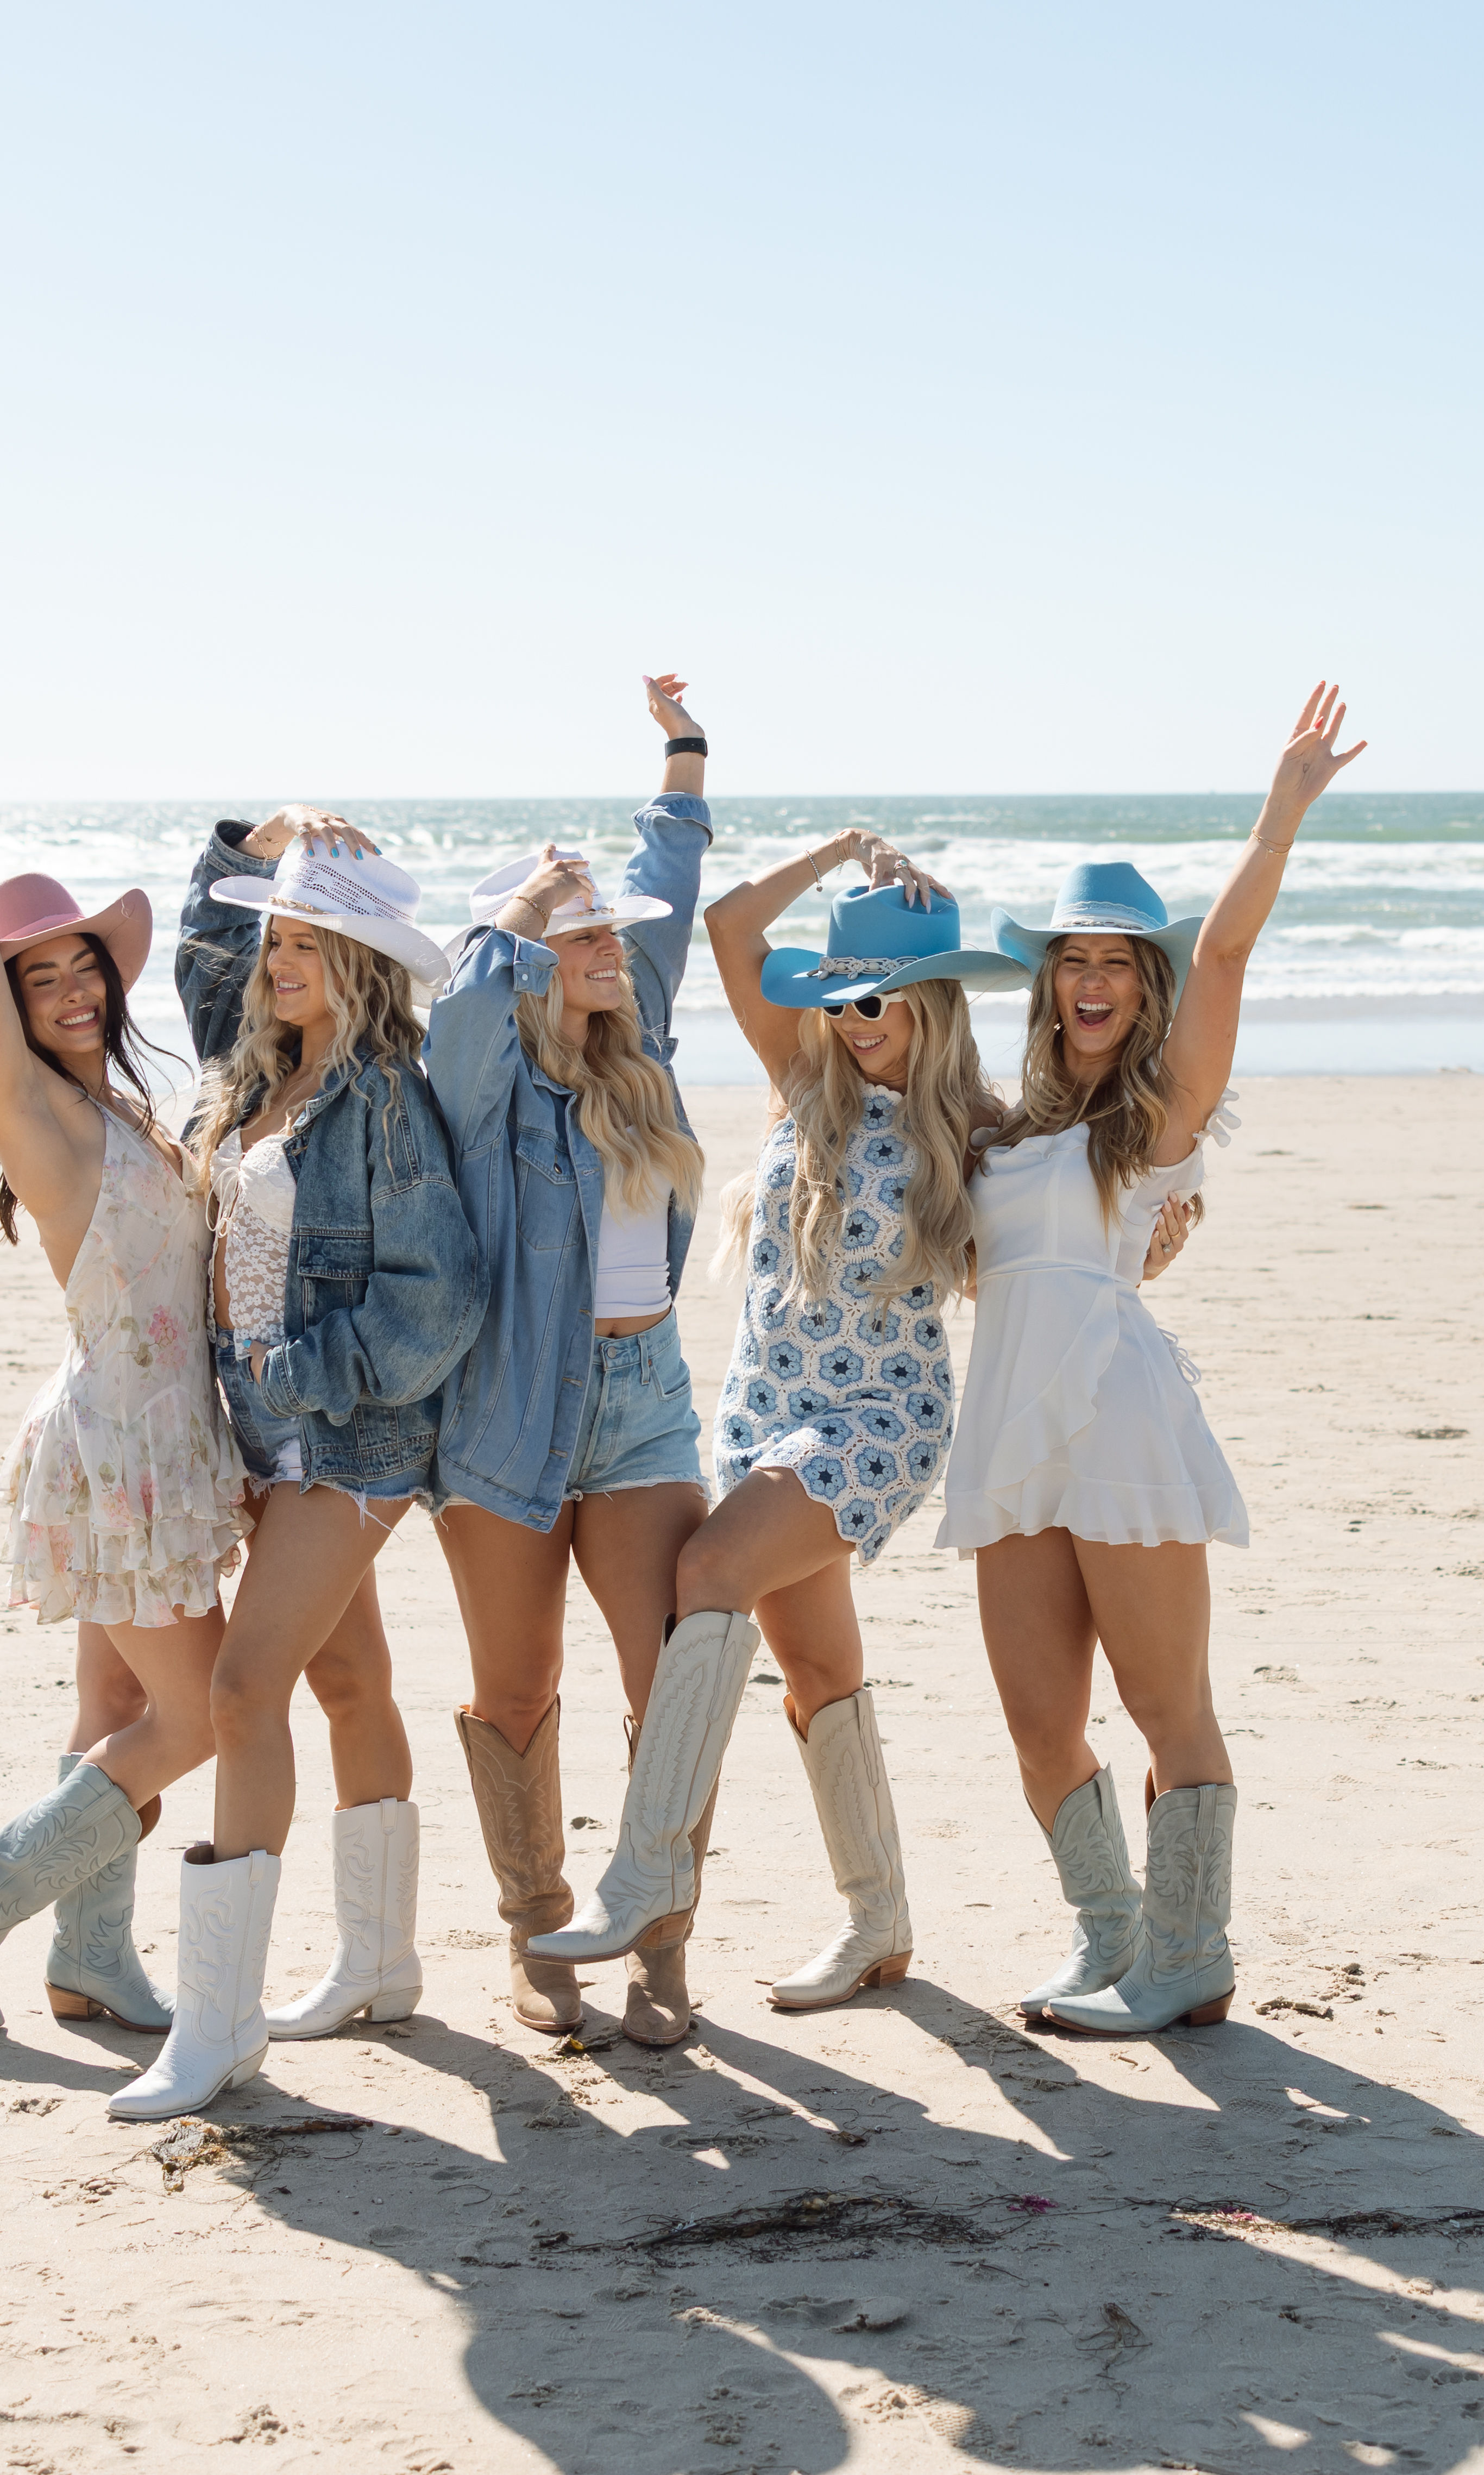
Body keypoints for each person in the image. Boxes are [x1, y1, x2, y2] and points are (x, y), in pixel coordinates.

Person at [526, 826, 1026, 2017]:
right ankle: (878, 1921)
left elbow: (1089, 1194)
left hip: (878, 1420)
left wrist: (1168, 1214)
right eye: (846, 997)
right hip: (760, 1415)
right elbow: (731, 930)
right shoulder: (803, 1081)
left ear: (935, 1007)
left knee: (706, 1571)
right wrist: (841, 847)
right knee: (816, 1669)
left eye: (886, 1001)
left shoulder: (977, 1128)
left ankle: (646, 1871)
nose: (859, 1020)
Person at [944, 681, 1368, 2034]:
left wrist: (1276, 821)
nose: (1091, 982)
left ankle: (1191, 1951)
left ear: (1146, 984)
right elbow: (875, 1038)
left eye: (1119, 963)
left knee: (1161, 1697)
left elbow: (1232, 960)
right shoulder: (1000, 1131)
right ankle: (1111, 1930)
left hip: (1117, 1415)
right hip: (1010, 1420)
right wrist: (891, 906)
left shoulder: (1153, 1123)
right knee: (1036, 1720)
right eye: (1073, 960)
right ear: (1048, 981)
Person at [0, 667, 250, 2042]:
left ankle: (91, 1959)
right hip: (115, 1450)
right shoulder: (32, 1112)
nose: (70, 985)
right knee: (201, 1721)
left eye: (82, 962)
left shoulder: (126, 1106)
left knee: (117, 1711)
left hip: (161, 1441)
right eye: (38, 973)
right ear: (4, 1001)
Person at [114, 807, 483, 2121]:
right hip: (266, 1438)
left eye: (314, 940)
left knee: (239, 1685)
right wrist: (252, 840)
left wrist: (291, 1377)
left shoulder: (378, 1096)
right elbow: (202, 946)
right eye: (280, 935)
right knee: (346, 1677)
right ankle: (381, 1963)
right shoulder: (255, 1071)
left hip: (346, 1439)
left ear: (364, 959)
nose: (281, 959)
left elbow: (436, 1304)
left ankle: (217, 2023)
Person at [426, 678, 718, 2046]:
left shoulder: (639, 1042)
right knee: (515, 1682)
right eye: (588, 933)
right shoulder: (487, 1082)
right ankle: (536, 1929)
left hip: (644, 1400)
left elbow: (675, 868)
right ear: (538, 953)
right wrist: (531, 908)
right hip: (503, 1409)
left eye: (609, 931)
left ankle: (661, 1936)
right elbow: (469, 1001)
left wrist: (680, 755)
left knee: (670, 1672)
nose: (613, 945)